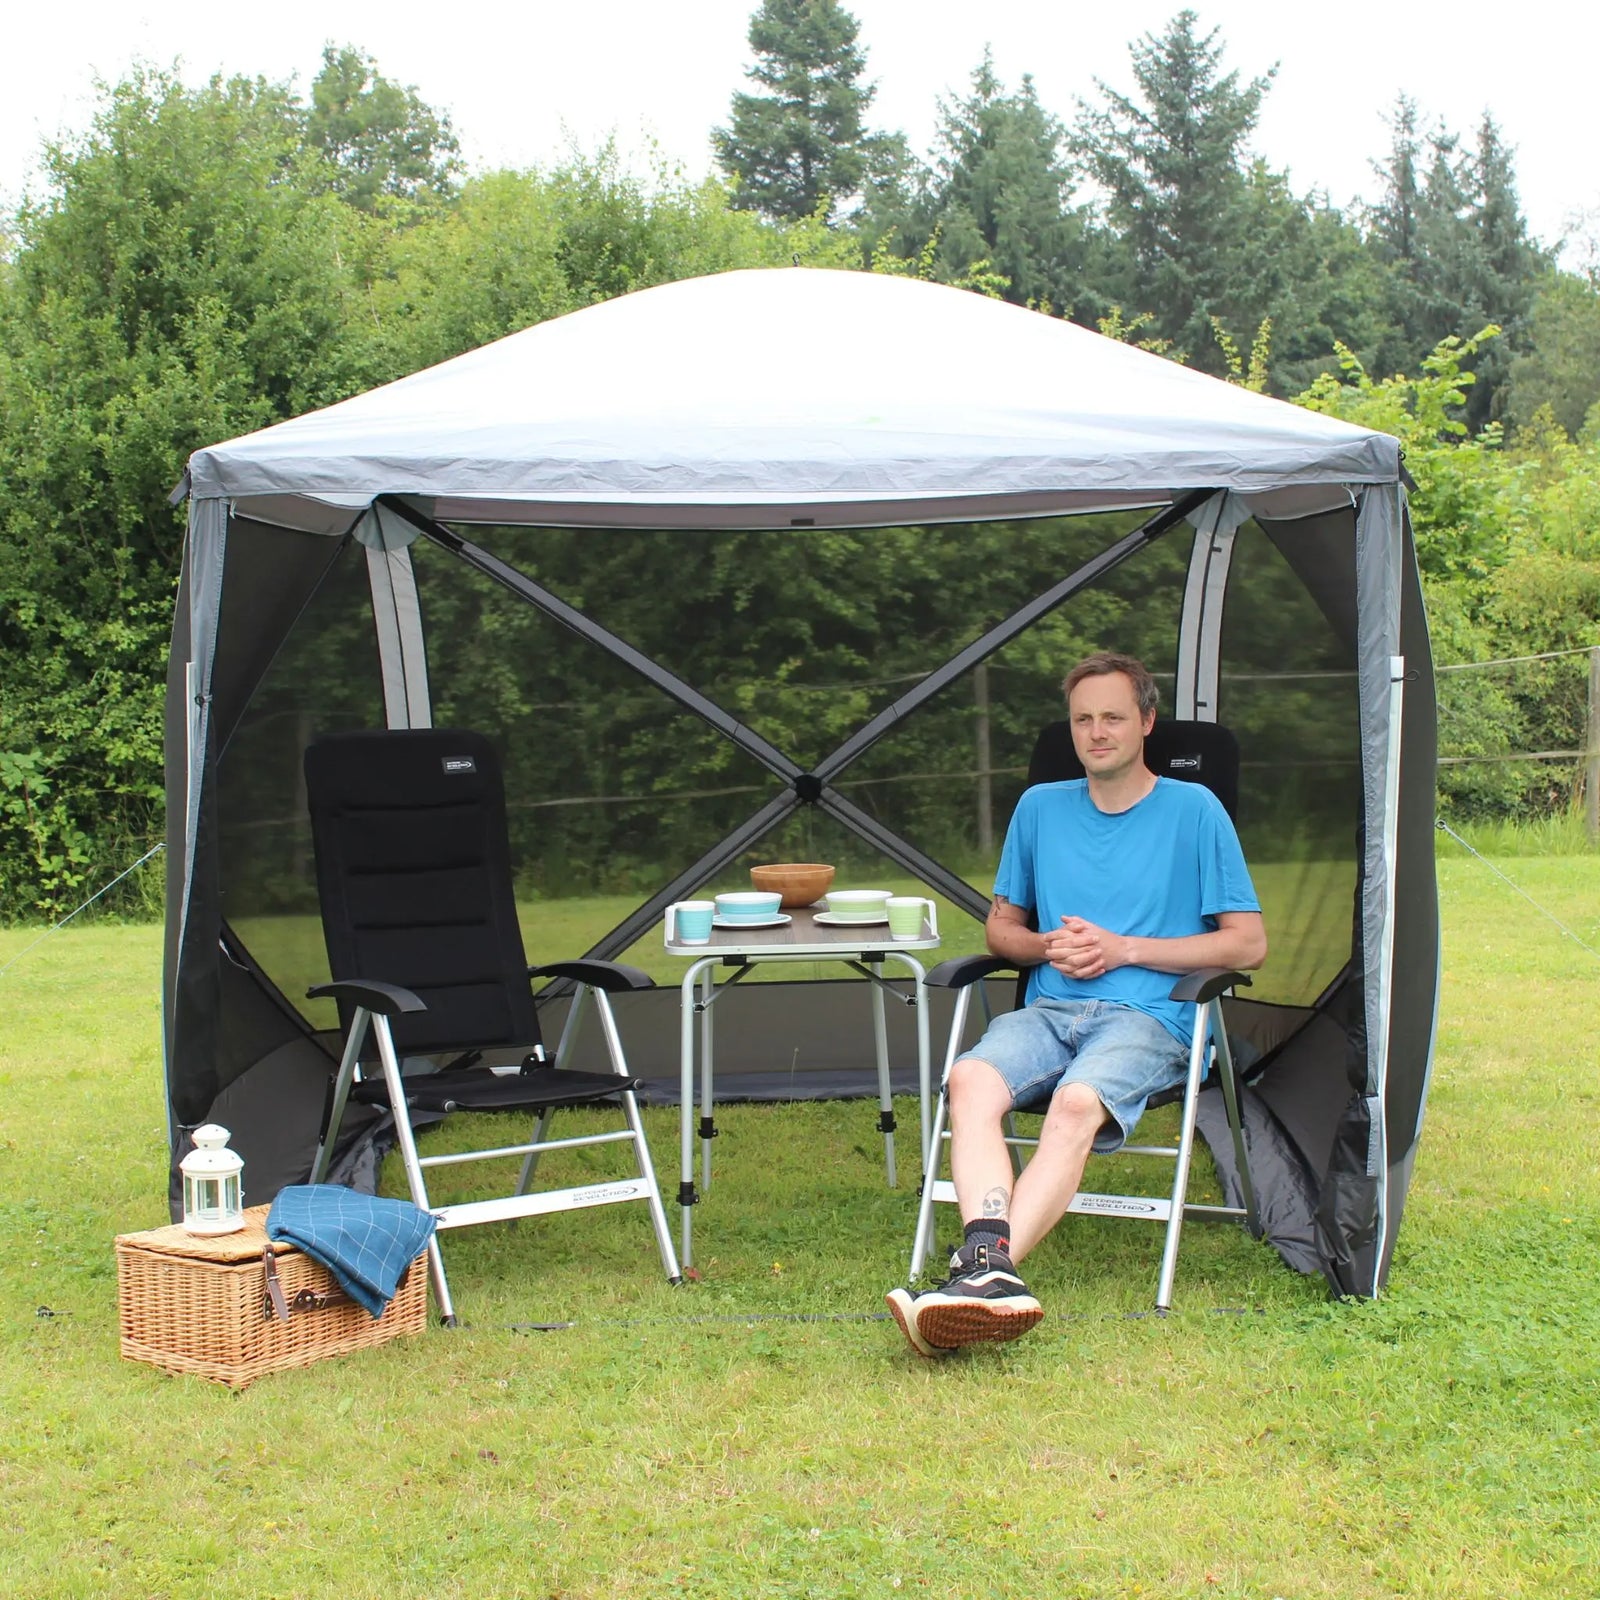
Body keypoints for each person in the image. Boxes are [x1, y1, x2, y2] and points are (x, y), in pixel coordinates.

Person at [886, 652, 1266, 1357]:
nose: (1097, 732)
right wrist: (1042, 948)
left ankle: (976, 1278)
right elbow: (1002, 930)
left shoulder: (1195, 811)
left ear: (1147, 723)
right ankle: (988, 1273)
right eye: (1083, 719)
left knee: (1074, 1101)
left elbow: (1246, 945)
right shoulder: (1040, 809)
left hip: (1153, 1016)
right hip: (1052, 1010)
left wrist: (1125, 950)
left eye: (1113, 717)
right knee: (968, 1080)